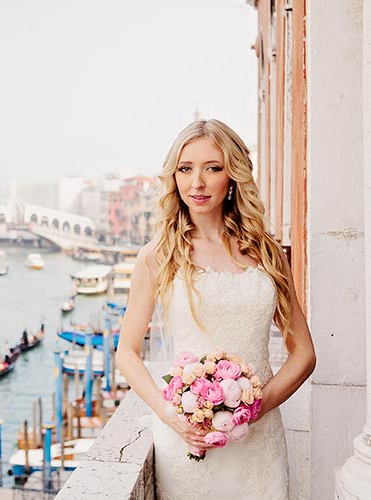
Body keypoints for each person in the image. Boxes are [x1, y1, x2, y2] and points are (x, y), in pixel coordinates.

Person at [115, 119, 316, 499]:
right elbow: (126, 354)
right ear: (173, 177)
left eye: (213, 168)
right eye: (185, 169)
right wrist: (172, 416)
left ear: (233, 176)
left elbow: (304, 354)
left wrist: (255, 408)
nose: (198, 183)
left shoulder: (266, 253)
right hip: (189, 441)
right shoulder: (157, 258)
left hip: (258, 441)